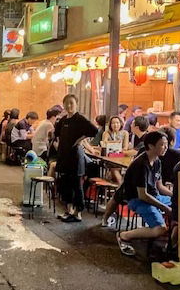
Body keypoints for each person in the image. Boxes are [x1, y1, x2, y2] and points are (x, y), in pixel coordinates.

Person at [115, 131, 173, 256]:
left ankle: (172, 244)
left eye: (166, 144)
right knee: (160, 229)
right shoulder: (140, 165)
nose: (166, 147)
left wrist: (176, 196)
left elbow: (160, 186)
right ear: (151, 146)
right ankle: (124, 236)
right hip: (138, 200)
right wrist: (164, 207)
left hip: (154, 197)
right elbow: (143, 195)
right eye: (162, 145)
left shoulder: (157, 161)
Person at [54, 94, 97, 222]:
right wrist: (57, 145)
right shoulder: (63, 120)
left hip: (76, 156)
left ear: (76, 104)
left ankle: (78, 213)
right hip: (64, 155)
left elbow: (94, 130)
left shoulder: (80, 119)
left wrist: (80, 140)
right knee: (65, 184)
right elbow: (56, 135)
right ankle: (69, 211)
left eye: (71, 103)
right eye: (66, 103)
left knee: (77, 185)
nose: (69, 106)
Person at [102, 115, 132, 184]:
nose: (115, 125)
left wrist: (113, 146)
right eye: (113, 123)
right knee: (113, 167)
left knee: (115, 168)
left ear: (121, 124)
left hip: (120, 156)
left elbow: (125, 147)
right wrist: (116, 143)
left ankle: (119, 185)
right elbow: (104, 143)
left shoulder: (125, 133)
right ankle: (120, 186)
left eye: (117, 123)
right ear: (110, 125)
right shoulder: (106, 133)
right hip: (109, 157)